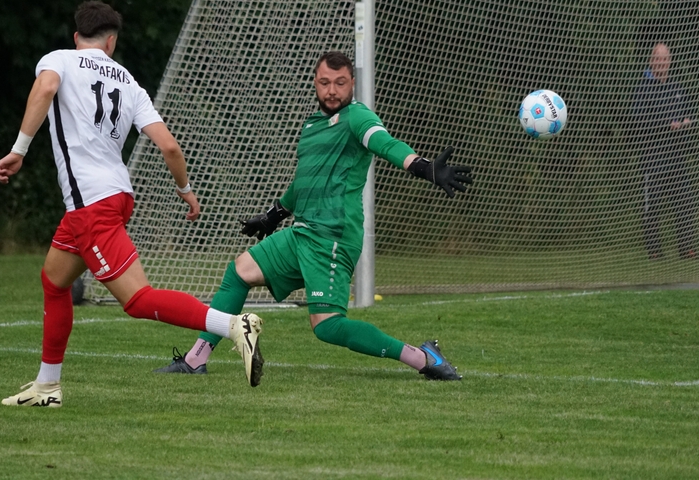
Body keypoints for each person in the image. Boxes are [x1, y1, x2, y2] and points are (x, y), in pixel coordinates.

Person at [0, 0, 265, 406]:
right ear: (111, 42)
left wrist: (19, 150)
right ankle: (47, 387)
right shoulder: (129, 82)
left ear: (77, 37)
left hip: (91, 203)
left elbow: (46, 88)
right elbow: (169, 147)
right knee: (54, 281)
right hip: (116, 196)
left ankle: (232, 325)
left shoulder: (59, 60)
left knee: (137, 299)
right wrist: (185, 189)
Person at [154, 51, 472, 382]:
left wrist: (423, 167)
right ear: (315, 83)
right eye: (324, 83)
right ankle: (195, 359)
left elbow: (385, 144)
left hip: (332, 239)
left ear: (352, 83)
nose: (332, 91)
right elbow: (305, 180)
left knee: (327, 326)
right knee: (240, 271)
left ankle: (423, 357)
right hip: (302, 234)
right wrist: (274, 215)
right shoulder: (311, 126)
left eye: (340, 83)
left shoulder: (357, 117)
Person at [631, 42, 698, 260]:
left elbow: (689, 113)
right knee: (652, 205)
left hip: (676, 156)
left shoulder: (677, 88)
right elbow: (637, 121)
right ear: (651, 61)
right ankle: (654, 250)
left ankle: (687, 248)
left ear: (670, 61)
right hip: (653, 156)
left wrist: (687, 122)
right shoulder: (643, 89)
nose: (661, 62)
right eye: (657, 58)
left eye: (665, 59)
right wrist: (666, 124)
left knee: (684, 202)